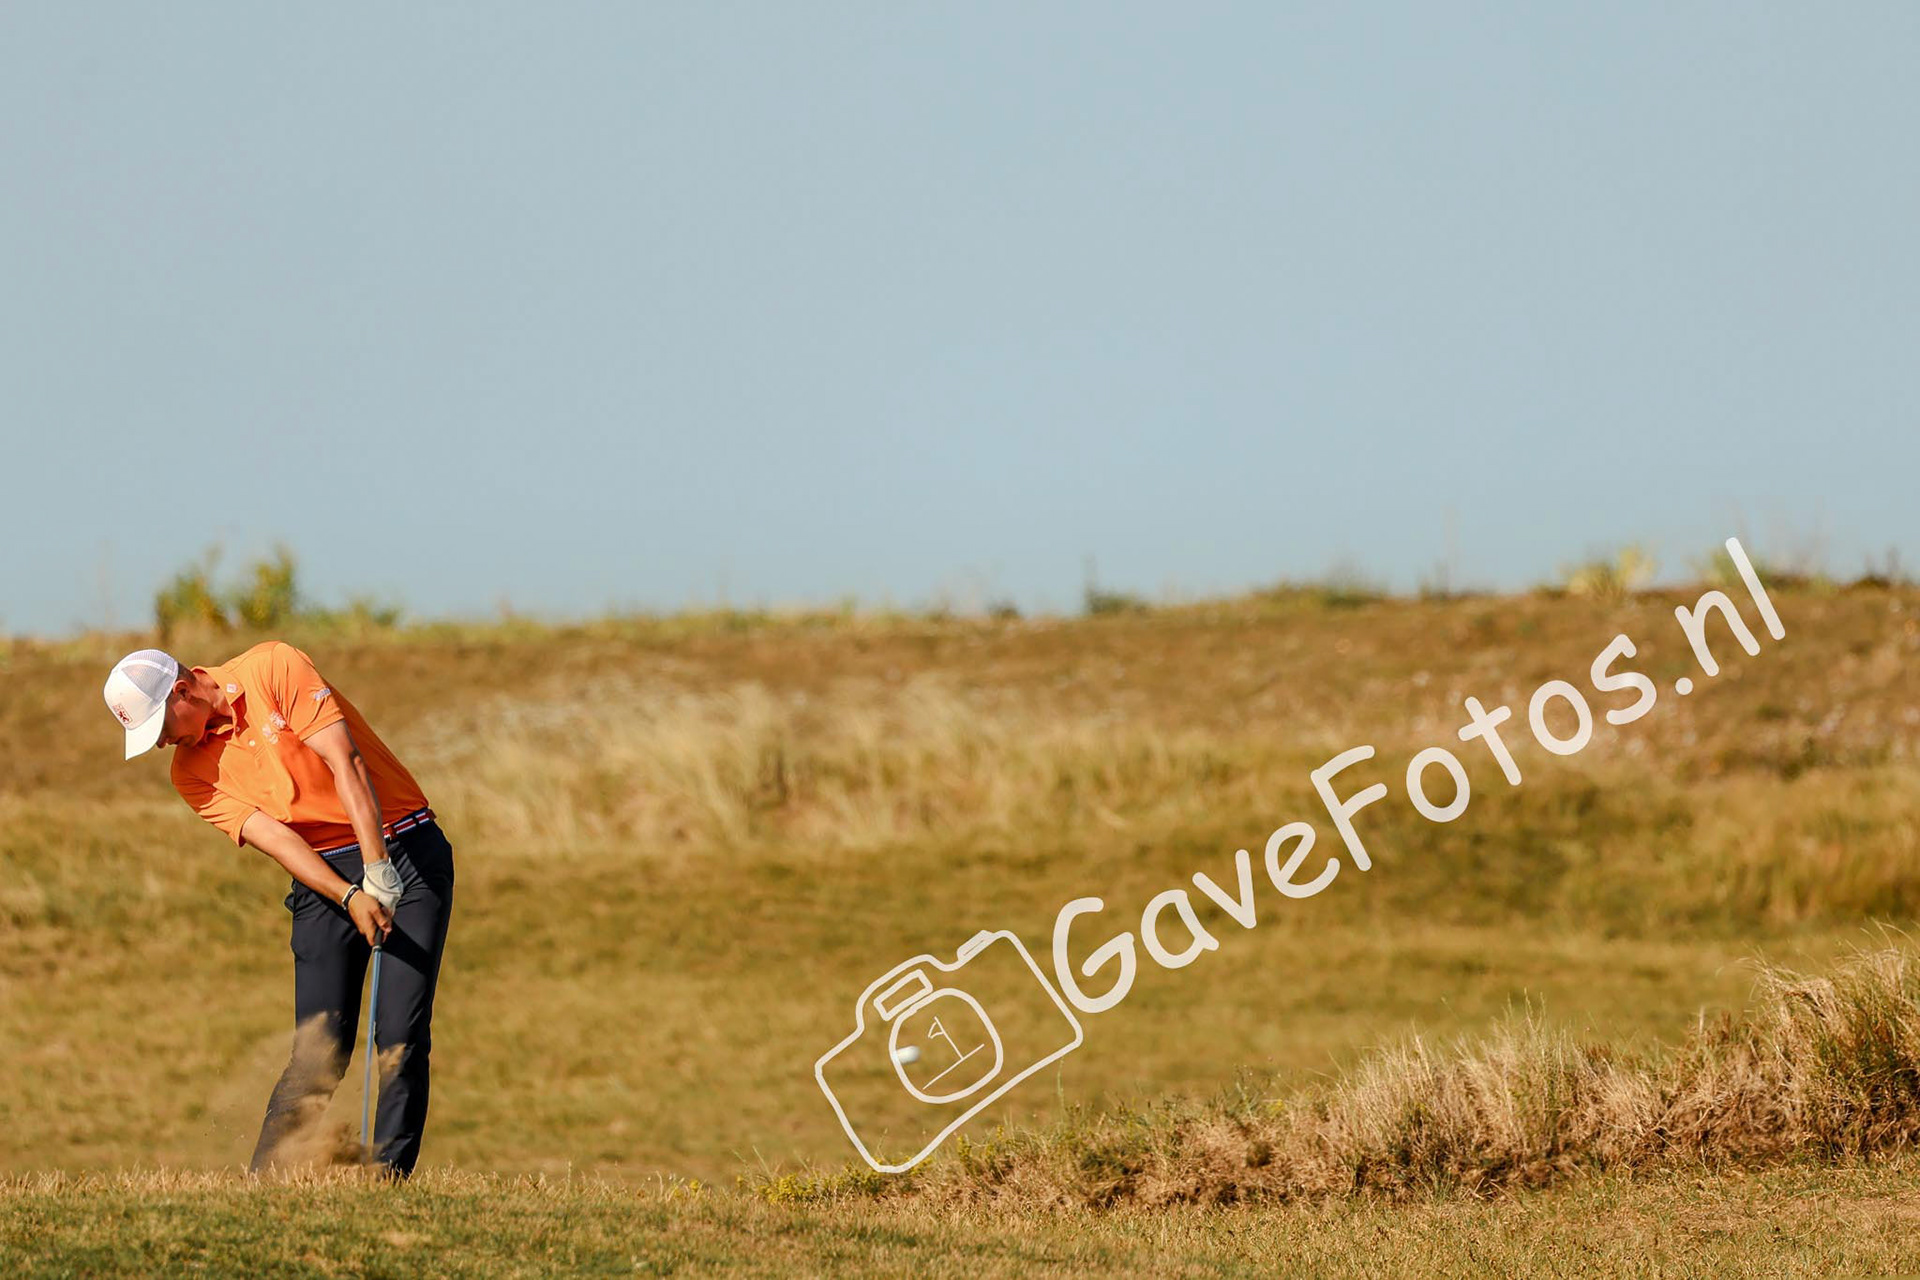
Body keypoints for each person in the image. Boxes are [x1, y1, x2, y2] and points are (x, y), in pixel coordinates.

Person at [102, 642, 455, 1177]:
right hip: (322, 874)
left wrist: (378, 867)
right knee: (319, 1047)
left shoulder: (273, 667)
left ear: (182, 691)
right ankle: (267, 1185)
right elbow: (280, 841)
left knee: (400, 1036)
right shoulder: (190, 775)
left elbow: (345, 762)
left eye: (161, 729)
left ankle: (388, 1181)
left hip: (402, 846)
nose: (162, 744)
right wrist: (349, 895)